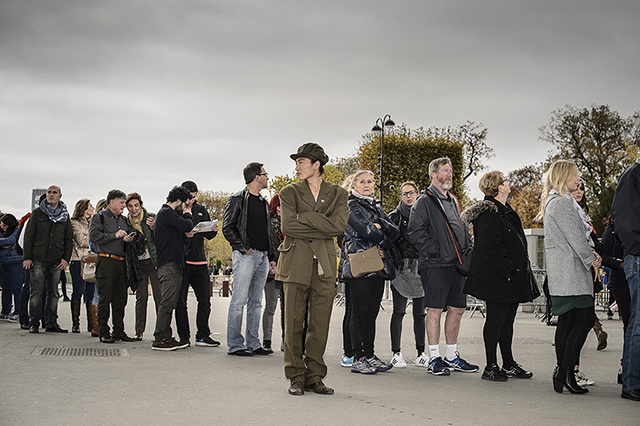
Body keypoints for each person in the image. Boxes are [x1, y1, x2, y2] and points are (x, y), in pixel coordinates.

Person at [276, 143, 349, 395]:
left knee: (320, 324)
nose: (296, 167)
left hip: (325, 265)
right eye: (296, 162)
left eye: (300, 162)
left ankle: (314, 376)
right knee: (293, 323)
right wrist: (322, 224)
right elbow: (288, 226)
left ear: (316, 164)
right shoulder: (288, 192)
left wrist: (304, 217)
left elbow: (338, 227)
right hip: (295, 262)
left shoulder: (338, 193)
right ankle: (295, 376)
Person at [461, 171, 535, 381]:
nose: (509, 183)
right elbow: (490, 247)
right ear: (498, 187)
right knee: (495, 321)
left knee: (507, 322)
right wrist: (509, 270)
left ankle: (508, 363)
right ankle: (491, 366)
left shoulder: (505, 210)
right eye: (505, 180)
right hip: (498, 279)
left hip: (510, 278)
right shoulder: (488, 213)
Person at [408, 157, 479, 376]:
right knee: (436, 310)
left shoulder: (453, 199)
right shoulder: (424, 201)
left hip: (457, 264)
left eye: (451, 172)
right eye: (445, 171)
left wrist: (466, 247)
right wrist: (436, 251)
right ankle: (434, 358)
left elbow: (459, 226)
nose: (449, 175)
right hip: (436, 264)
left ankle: (451, 356)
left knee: (457, 309)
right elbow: (414, 232)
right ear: (434, 174)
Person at [535, 160, 600, 394]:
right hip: (571, 274)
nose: (578, 179)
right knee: (583, 320)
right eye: (575, 175)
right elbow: (577, 239)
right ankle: (565, 372)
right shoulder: (562, 204)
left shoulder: (555, 202)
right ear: (564, 177)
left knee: (568, 322)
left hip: (564, 275)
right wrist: (593, 259)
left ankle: (562, 373)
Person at [339, 170, 400, 375]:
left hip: (377, 264)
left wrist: (380, 227)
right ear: (353, 185)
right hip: (360, 263)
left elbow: (395, 230)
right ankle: (358, 357)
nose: (367, 184)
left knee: (372, 313)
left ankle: (370, 354)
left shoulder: (376, 206)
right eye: (362, 181)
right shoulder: (349, 205)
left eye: (370, 181)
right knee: (359, 312)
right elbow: (366, 230)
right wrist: (385, 238)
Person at [222, 162, 276, 356]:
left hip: (262, 256)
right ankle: (235, 344)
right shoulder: (236, 199)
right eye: (265, 174)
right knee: (239, 301)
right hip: (246, 256)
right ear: (256, 177)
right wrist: (244, 249)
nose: (267, 177)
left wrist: (271, 256)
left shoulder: (263, 202)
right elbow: (227, 227)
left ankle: (254, 343)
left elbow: (268, 232)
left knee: (256, 302)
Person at [387, 182, 428, 368]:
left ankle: (421, 353)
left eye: (411, 193)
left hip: (421, 268)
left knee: (420, 314)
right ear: (401, 197)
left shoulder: (426, 214)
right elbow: (388, 242)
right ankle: (396, 353)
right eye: (404, 194)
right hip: (401, 269)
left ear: (418, 194)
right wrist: (395, 262)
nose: (408, 197)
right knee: (399, 311)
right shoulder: (393, 217)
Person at [174, 180, 220, 347]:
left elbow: (208, 235)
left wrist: (213, 230)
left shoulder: (201, 210)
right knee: (181, 301)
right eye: (189, 197)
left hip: (200, 261)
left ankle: (203, 335)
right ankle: (183, 337)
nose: (191, 201)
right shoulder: (176, 210)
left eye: (194, 197)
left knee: (205, 300)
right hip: (183, 261)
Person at [23, 185, 73, 334]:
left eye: (54, 193)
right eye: (49, 193)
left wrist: (66, 259)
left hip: (57, 260)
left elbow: (68, 238)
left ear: (60, 196)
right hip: (38, 259)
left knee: (53, 293)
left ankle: (51, 323)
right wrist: (27, 257)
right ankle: (34, 323)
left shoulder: (64, 215)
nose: (51, 195)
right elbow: (28, 236)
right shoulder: (37, 213)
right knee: (36, 292)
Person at [89, 190, 137, 343]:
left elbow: (133, 234)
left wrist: (130, 238)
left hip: (122, 262)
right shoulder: (99, 218)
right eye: (122, 202)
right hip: (106, 261)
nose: (125, 206)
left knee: (120, 299)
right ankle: (103, 331)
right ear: (112, 202)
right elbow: (94, 236)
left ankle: (118, 331)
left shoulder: (124, 220)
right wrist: (114, 235)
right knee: (105, 297)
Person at [569, 181, 604, 386]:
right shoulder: (569, 213)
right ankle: (569, 370)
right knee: (575, 322)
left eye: (582, 189)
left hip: (588, 275)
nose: (580, 192)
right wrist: (593, 255)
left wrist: (599, 255)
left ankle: (573, 369)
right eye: (576, 188)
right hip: (574, 276)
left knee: (581, 322)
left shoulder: (585, 216)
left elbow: (595, 242)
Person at [611, 156, 640, 402]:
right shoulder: (633, 176)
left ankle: (632, 380)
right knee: (638, 323)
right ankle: (632, 382)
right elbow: (625, 222)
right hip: (638, 257)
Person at [152, 186, 195, 351]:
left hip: (172, 263)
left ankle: (166, 336)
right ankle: (160, 338)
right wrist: (188, 214)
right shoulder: (166, 213)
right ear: (178, 200)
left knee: (171, 301)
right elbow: (187, 224)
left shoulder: (166, 215)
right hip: (169, 265)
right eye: (184, 204)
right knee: (168, 302)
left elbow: (181, 232)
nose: (184, 208)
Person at [125, 192, 160, 341]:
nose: (134, 209)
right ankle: (139, 331)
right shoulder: (125, 222)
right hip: (138, 264)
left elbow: (161, 237)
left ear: (141, 205)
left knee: (159, 297)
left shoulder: (150, 217)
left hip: (153, 262)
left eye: (136, 205)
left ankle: (161, 330)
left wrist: (154, 227)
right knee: (141, 297)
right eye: (130, 206)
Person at [601, 216, 630, 385]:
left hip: (630, 280)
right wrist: (620, 264)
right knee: (630, 324)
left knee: (632, 324)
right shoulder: (611, 231)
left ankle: (628, 366)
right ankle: (625, 366)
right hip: (620, 282)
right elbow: (603, 256)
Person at [69, 199, 96, 333]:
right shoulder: (73, 222)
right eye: (91, 206)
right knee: (77, 291)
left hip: (91, 260)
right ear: (84, 208)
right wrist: (92, 238)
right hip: (77, 259)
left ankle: (91, 325)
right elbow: (80, 240)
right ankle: (76, 323)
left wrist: (89, 237)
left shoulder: (93, 222)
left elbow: (91, 239)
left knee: (90, 293)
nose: (93, 207)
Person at [262, 194, 284, 353]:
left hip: (287, 270)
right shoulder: (269, 224)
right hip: (273, 270)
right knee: (271, 306)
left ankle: (286, 341)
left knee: (288, 309)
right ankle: (267, 340)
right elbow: (270, 245)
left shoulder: (291, 224)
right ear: (277, 208)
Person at [0, 214, 25, 322]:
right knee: (6, 288)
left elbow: (11, 241)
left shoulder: (17, 229)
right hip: (3, 262)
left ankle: (18, 311)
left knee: (17, 288)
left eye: (4, 225)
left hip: (16, 262)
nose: (2, 227)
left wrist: (4, 244)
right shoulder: (2, 231)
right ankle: (5, 311)